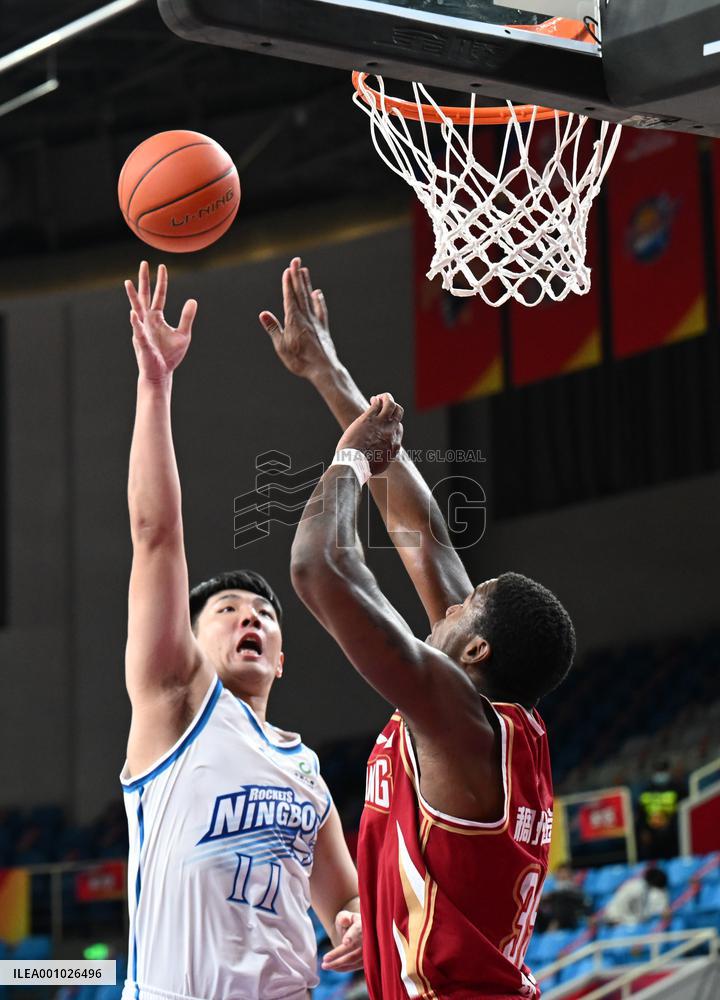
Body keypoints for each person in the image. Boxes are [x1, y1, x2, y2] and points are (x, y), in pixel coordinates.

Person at [262, 260, 575, 999]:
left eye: (466, 607)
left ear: (476, 649)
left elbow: (318, 570)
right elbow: (425, 538)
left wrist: (346, 459)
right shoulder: (492, 720)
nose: (453, 599)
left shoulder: (456, 716)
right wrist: (329, 374)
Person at [120, 262, 363, 1000]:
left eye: (262, 615)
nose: (248, 616)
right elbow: (155, 535)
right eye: (224, 611)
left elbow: (344, 902)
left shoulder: (306, 770)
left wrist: (353, 921)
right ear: (189, 644)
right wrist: (155, 385)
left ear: (283, 659)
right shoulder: (174, 706)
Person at [636, 760, 686, 860]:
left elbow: (684, 810)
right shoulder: (646, 790)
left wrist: (672, 825)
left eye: (662, 770)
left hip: (672, 835)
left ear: (668, 770)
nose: (660, 773)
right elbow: (640, 813)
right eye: (658, 770)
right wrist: (644, 830)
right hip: (652, 835)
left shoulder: (678, 788)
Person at [603, 868, 670, 926]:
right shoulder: (636, 887)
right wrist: (619, 919)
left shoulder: (651, 891)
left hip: (632, 920)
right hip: (616, 917)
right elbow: (621, 904)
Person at [536, 863, 592, 933]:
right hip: (550, 921)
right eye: (559, 873)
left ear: (570, 875)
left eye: (564, 873)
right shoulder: (553, 889)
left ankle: (555, 924)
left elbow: (585, 903)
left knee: (562, 898)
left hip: (572, 922)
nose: (562, 875)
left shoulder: (576, 890)